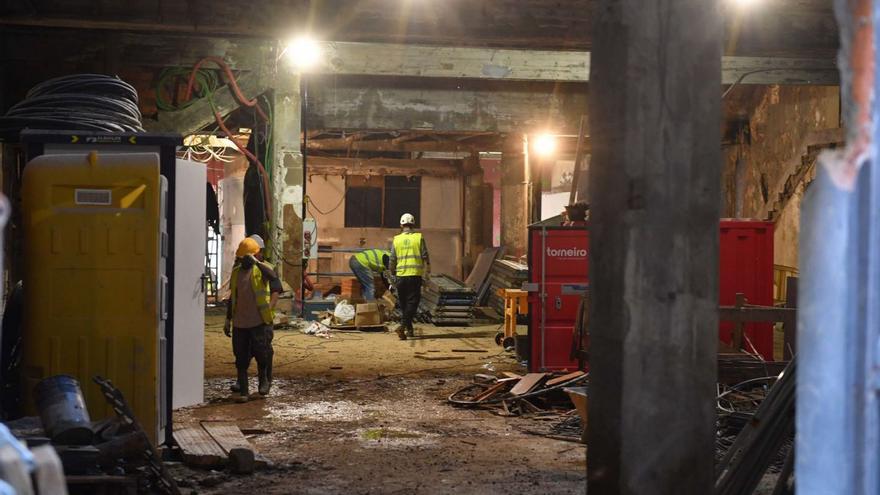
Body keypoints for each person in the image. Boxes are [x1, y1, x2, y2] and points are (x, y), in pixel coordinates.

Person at [224, 238, 282, 402]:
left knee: (262, 354)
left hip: (259, 322)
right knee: (240, 358)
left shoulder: (262, 269)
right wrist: (228, 320)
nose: (242, 261)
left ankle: (264, 380)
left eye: (245, 258)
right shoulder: (236, 273)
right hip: (240, 323)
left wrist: (256, 262)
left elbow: (274, 279)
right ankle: (243, 391)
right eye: (241, 258)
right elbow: (232, 298)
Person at [389, 213, 430, 340]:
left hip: (401, 276)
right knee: (413, 303)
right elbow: (425, 257)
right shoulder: (418, 238)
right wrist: (427, 275)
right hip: (414, 276)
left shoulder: (396, 239)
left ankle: (409, 330)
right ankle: (402, 326)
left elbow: (392, 259)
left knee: (404, 303)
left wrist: (392, 274)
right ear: (413, 224)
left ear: (401, 225)